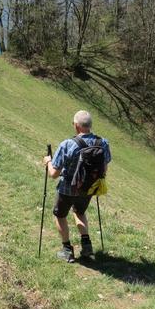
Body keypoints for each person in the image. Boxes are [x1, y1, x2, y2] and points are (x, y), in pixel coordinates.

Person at [42, 110, 111, 263]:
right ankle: (86, 246)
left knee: (60, 216)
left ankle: (67, 250)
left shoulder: (68, 144)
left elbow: (53, 174)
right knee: (79, 212)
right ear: (89, 126)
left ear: (77, 126)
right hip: (88, 189)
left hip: (67, 188)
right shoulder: (103, 143)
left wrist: (48, 162)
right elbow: (104, 169)